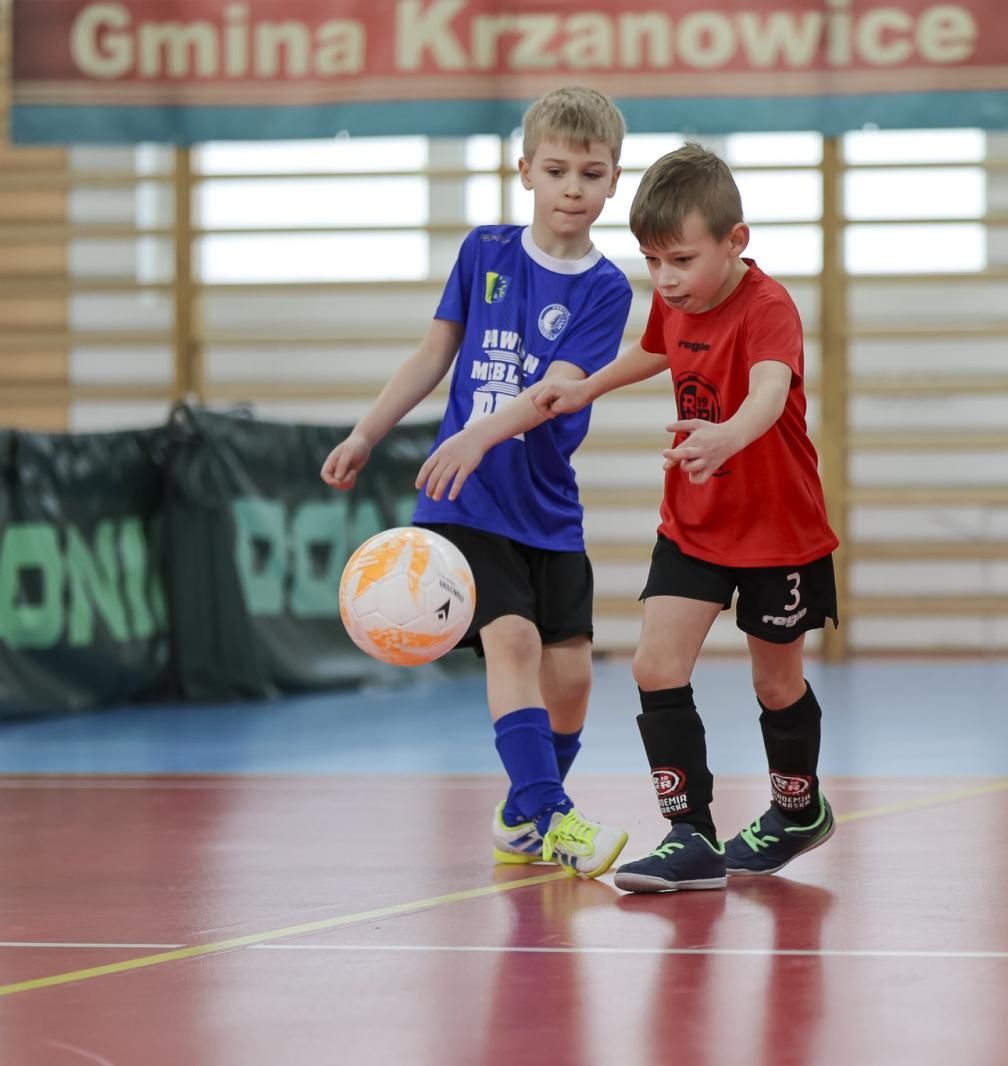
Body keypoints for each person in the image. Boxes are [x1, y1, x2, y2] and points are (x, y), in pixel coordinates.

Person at [320, 86, 634, 878]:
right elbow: (433, 355)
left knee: (569, 676)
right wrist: (367, 432)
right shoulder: (483, 253)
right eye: (557, 170)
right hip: (466, 502)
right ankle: (557, 819)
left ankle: (524, 808)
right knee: (515, 642)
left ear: (613, 182)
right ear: (523, 170)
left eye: (591, 174)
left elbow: (554, 389)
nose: (573, 188)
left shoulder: (606, 289)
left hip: (549, 507)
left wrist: (478, 431)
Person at [534, 143, 840, 893]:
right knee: (654, 665)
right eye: (651, 262)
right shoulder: (676, 303)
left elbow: (769, 392)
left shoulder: (769, 308)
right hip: (694, 523)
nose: (665, 280)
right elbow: (653, 352)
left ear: (737, 242)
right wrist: (586, 389)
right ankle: (690, 834)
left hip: (777, 532)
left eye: (680, 260)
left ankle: (797, 810)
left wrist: (729, 434)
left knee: (776, 686)